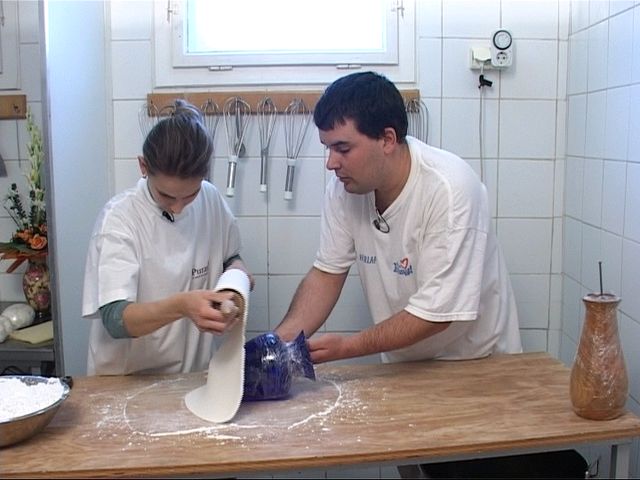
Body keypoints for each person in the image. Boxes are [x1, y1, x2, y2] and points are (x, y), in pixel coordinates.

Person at [276, 71, 522, 365]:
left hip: (476, 360)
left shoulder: (449, 189)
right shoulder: (344, 189)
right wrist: (275, 345)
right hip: (406, 363)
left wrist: (348, 347)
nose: (331, 163)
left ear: (387, 139)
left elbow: (436, 314)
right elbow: (327, 274)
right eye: (328, 148)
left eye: (343, 149)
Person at [82, 100, 252, 375]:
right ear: (143, 166)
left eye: (190, 195)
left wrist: (234, 283)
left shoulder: (210, 199)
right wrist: (182, 305)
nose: (178, 207)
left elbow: (230, 257)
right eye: (167, 195)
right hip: (125, 380)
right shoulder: (119, 219)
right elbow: (115, 319)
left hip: (189, 377)